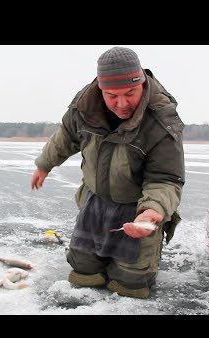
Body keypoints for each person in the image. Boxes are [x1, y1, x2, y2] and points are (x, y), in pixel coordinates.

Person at [30, 46, 185, 299]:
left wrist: (152, 212)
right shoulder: (83, 108)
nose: (122, 104)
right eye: (112, 95)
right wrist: (44, 164)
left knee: (131, 284)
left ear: (142, 83)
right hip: (95, 202)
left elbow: (165, 178)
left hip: (137, 207)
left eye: (130, 93)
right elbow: (65, 137)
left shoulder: (161, 121)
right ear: (100, 89)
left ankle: (136, 267)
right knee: (83, 272)